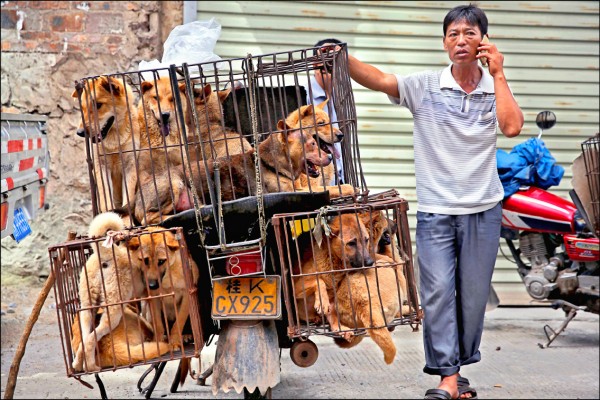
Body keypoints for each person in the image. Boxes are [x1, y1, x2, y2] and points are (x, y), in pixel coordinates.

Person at [342, 4, 524, 399]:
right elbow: (380, 79)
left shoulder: (496, 88)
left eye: (470, 34)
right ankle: (447, 378)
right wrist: (342, 56)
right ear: (444, 42)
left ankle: (457, 372)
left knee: (473, 296)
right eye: (453, 34)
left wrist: (499, 73)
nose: (461, 40)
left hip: (483, 210)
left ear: (484, 42)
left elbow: (512, 126)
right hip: (437, 211)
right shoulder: (425, 86)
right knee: (438, 291)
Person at [308, 38, 345, 184]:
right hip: (315, 183)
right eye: (323, 56)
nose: (328, 64)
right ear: (314, 63)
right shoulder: (302, 93)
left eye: (333, 59)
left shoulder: (343, 97)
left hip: (340, 180)